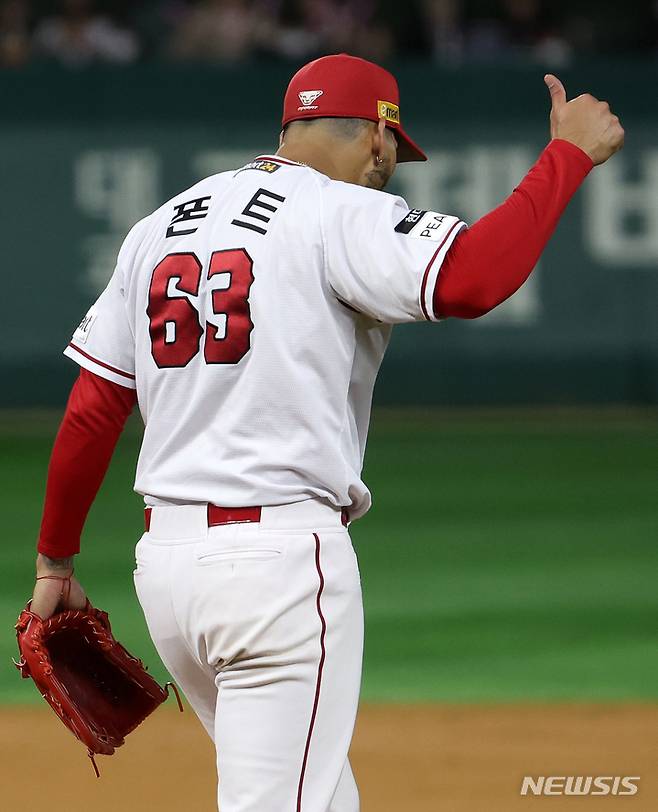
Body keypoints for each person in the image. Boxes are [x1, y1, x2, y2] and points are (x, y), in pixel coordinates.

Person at [29, 53, 623, 811]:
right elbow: (475, 276)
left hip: (170, 578)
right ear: (379, 134)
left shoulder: (159, 226)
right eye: (393, 154)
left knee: (320, 794)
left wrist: (55, 561)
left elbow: (93, 409)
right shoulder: (336, 211)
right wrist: (567, 155)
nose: (389, 170)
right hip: (277, 575)